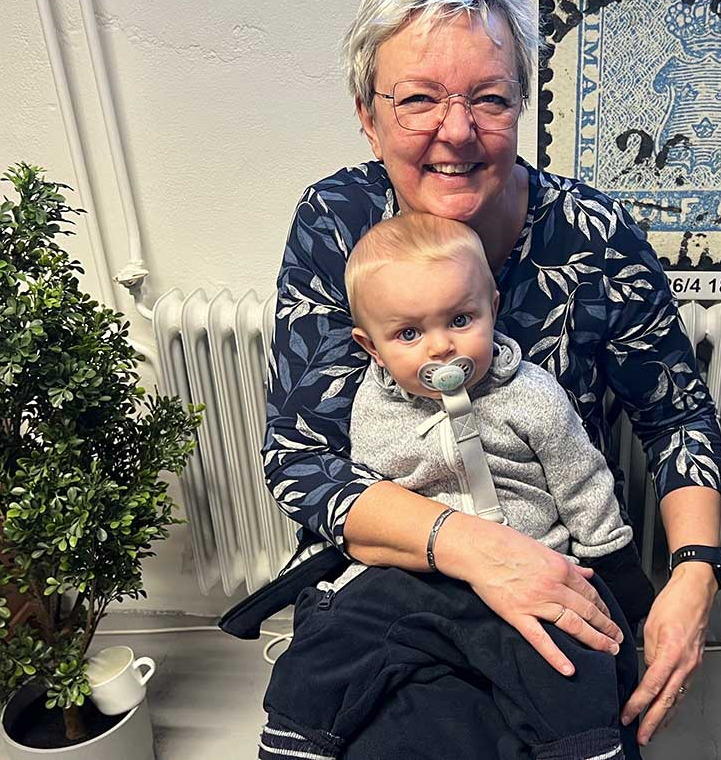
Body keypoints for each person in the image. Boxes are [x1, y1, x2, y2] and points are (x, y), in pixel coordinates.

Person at [251, 0, 721, 758]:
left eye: (490, 98)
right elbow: (302, 460)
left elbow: (677, 413)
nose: (458, 129)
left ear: (521, 106)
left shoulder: (596, 235)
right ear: (368, 116)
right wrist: (479, 549)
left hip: (558, 569)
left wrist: (694, 573)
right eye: (419, 98)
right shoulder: (337, 223)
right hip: (396, 576)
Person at [261, 212, 642, 759]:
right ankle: (296, 740)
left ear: (493, 307)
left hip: (531, 561)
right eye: (409, 334)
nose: (440, 347)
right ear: (372, 347)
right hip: (415, 571)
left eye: (461, 320)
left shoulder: (532, 394)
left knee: (572, 662)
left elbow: (582, 480)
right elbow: (371, 489)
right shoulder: (373, 407)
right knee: (330, 639)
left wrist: (613, 561)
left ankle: (585, 749)